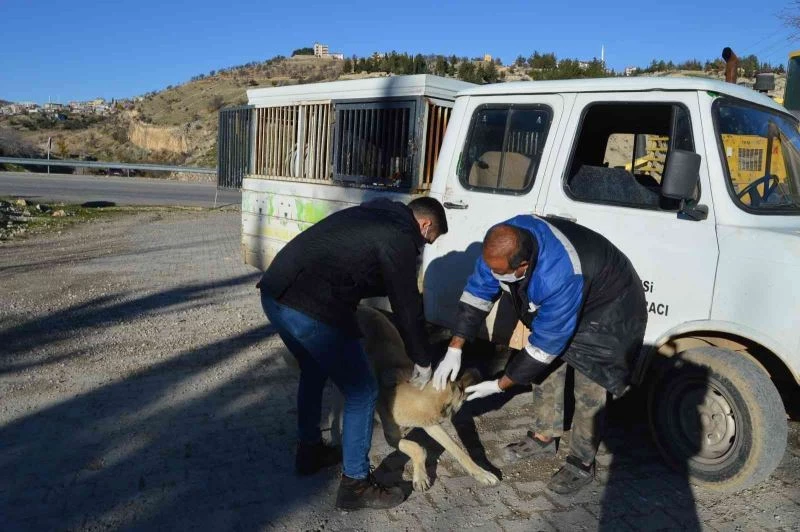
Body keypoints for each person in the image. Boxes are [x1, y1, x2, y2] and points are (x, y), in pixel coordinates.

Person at [432, 215, 647, 494]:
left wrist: (500, 385)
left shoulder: (559, 273)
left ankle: (581, 461)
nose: (496, 277)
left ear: (523, 265)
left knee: (589, 385)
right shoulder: (500, 246)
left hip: (608, 308)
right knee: (544, 371)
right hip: (572, 293)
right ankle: (544, 436)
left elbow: (545, 345)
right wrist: (454, 347)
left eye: (502, 274)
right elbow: (477, 294)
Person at [257, 196, 447, 510]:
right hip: (309, 307)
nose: (423, 247)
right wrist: (423, 358)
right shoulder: (400, 236)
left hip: (275, 294)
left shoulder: (372, 216)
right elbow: (406, 304)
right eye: (429, 240)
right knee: (362, 392)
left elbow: (362, 270)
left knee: (314, 369)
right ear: (425, 225)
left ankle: (309, 452)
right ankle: (355, 484)